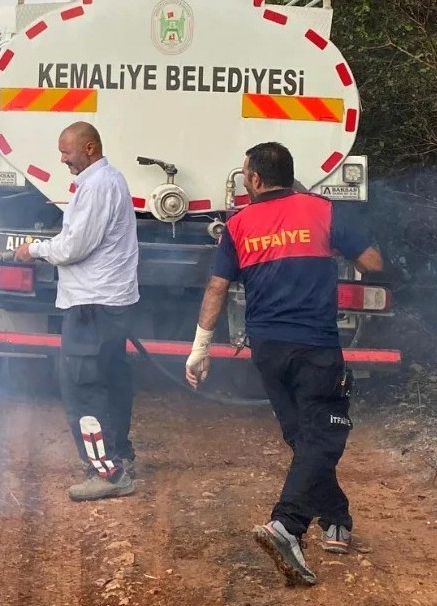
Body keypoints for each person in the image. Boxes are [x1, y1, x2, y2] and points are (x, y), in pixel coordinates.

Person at [184, 141, 383, 587]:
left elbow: (217, 289)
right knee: (325, 435)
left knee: (303, 435)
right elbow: (372, 262)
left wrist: (199, 349)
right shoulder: (322, 211)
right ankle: (287, 525)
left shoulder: (238, 224)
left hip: (267, 349)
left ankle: (336, 518)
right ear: (290, 177)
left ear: (255, 179)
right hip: (315, 345)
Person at [14, 121, 140, 502]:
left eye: (67, 151)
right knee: (109, 379)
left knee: (82, 388)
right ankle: (119, 454)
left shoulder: (98, 185)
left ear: (89, 148)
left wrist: (33, 250)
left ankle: (108, 473)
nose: (62, 159)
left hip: (91, 303)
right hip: (108, 301)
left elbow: (73, 248)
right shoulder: (107, 181)